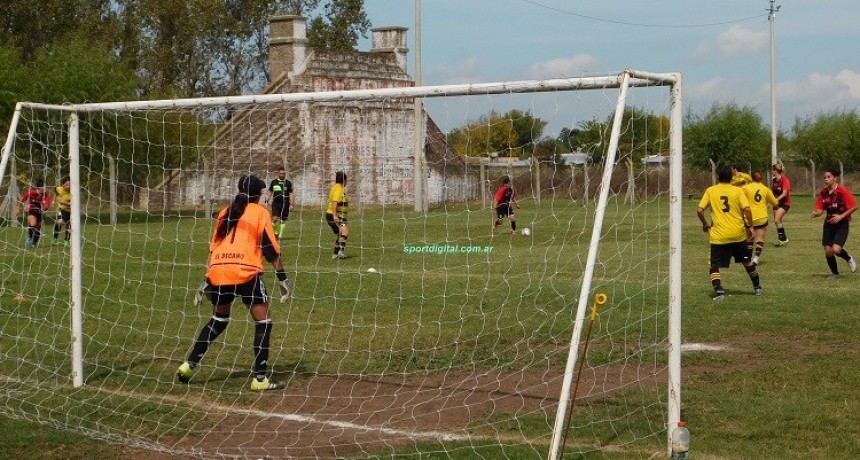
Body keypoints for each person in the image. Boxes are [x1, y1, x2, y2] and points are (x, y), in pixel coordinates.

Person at [176, 175, 291, 391]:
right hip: (246, 272)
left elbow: (214, 249)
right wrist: (283, 278)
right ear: (257, 196)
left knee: (218, 320)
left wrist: (205, 281)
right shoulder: (259, 213)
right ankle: (259, 379)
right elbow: (270, 249)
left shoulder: (224, 212)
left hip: (218, 273)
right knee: (263, 322)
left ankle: (188, 365)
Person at [696, 165, 762, 301]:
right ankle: (757, 288)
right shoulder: (738, 191)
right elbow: (747, 209)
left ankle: (719, 292)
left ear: (718, 177)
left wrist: (705, 224)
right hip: (738, 234)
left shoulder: (711, 191)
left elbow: (699, 210)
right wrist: (750, 226)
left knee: (714, 265)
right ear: (732, 177)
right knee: (747, 262)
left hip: (719, 236)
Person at [811, 168, 857, 279]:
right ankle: (835, 273)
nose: (826, 180)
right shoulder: (823, 192)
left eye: (829, 177)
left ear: (835, 178)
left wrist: (841, 216)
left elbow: (855, 206)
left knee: (836, 249)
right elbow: (821, 209)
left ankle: (848, 258)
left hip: (842, 225)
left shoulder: (842, 191)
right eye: (825, 178)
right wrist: (817, 213)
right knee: (828, 251)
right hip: (828, 225)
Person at [742, 171, 779, 265]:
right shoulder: (765, 189)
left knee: (749, 239)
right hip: (761, 218)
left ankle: (748, 258)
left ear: (752, 178)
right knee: (760, 239)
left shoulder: (745, 188)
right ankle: (756, 258)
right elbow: (775, 202)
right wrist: (767, 203)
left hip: (749, 217)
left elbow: (740, 199)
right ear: (761, 178)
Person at [20, 178, 51, 248]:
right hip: (31, 211)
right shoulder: (31, 192)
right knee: (33, 224)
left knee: (38, 229)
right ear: (38, 187)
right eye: (44, 186)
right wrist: (21, 207)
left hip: (40, 213)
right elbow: (23, 199)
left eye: (46, 186)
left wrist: (44, 207)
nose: (46, 188)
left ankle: (34, 243)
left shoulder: (46, 196)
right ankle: (30, 238)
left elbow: (46, 206)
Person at [325, 171, 349, 259]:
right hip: (336, 216)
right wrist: (335, 216)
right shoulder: (339, 189)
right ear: (344, 180)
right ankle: (340, 252)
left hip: (330, 214)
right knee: (345, 232)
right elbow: (335, 202)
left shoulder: (335, 187)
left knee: (340, 233)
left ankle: (335, 254)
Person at [267, 167, 294, 239]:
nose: (282, 175)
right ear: (278, 173)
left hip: (285, 203)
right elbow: (270, 191)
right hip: (276, 203)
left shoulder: (288, 183)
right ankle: (275, 232)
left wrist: (291, 204)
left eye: (283, 174)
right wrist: (267, 198)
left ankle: (280, 235)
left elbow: (291, 193)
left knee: (283, 220)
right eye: (281, 173)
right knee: (275, 219)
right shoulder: (274, 182)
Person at [771, 163, 791, 246]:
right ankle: (783, 239)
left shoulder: (785, 180)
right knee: (777, 222)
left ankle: (782, 240)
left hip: (785, 203)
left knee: (776, 220)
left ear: (775, 171)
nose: (771, 171)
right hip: (776, 204)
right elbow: (772, 192)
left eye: (772, 170)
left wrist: (775, 200)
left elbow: (784, 193)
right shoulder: (774, 181)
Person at [52, 177, 72, 246]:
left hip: (71, 212)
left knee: (69, 226)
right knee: (59, 223)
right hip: (62, 209)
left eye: (70, 184)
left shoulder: (73, 191)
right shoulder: (59, 189)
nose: (69, 186)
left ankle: (66, 241)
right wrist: (53, 200)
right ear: (62, 185)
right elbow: (55, 191)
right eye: (67, 185)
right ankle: (54, 239)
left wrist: (69, 204)